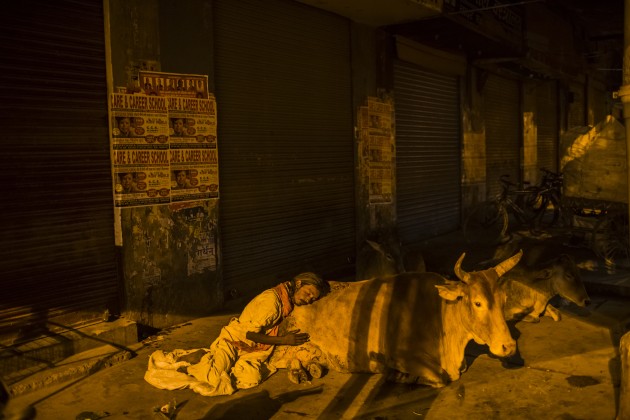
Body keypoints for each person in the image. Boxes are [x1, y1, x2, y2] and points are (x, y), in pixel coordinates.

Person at [146, 272, 329, 396]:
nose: (309, 299)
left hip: (254, 348)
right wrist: (284, 340)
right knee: (214, 380)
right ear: (298, 284)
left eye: (313, 298)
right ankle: (193, 362)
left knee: (251, 378)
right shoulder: (272, 303)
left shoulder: (286, 300)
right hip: (235, 340)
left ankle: (216, 360)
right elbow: (250, 334)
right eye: (308, 293)